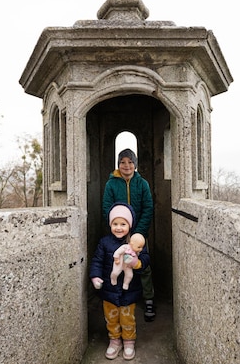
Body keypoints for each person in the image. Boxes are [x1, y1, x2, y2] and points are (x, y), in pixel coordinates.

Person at [102, 148, 156, 322]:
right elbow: (106, 208)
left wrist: (138, 232)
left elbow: (148, 208)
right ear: (118, 164)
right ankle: (121, 296)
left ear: (135, 164)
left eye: (130, 162)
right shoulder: (111, 184)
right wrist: (118, 228)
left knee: (143, 265)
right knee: (119, 263)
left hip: (138, 234)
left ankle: (148, 298)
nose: (127, 165)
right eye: (123, 162)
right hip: (118, 232)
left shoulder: (142, 184)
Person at [90, 202, 150, 360]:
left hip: (129, 290)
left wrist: (137, 263)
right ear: (110, 224)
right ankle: (114, 340)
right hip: (108, 290)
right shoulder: (104, 243)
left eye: (123, 224)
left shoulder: (135, 242)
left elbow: (145, 258)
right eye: (115, 224)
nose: (118, 227)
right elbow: (97, 261)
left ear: (129, 225)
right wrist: (95, 277)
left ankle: (129, 341)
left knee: (127, 317)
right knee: (111, 317)